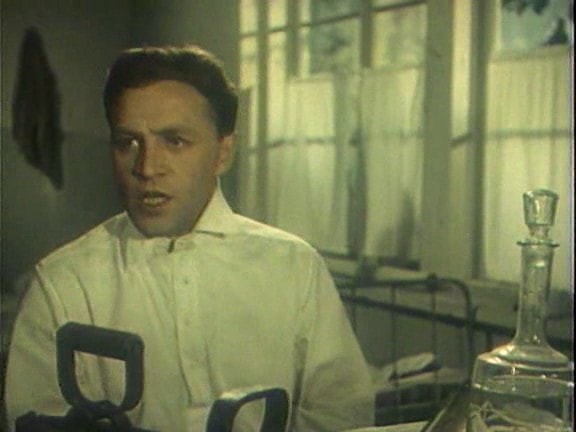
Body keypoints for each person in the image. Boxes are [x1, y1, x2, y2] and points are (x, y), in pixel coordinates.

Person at [4, 44, 374, 431]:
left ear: (223, 153)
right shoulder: (63, 282)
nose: (147, 167)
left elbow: (343, 413)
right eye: (128, 142)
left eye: (175, 141)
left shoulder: (294, 266)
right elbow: (32, 421)